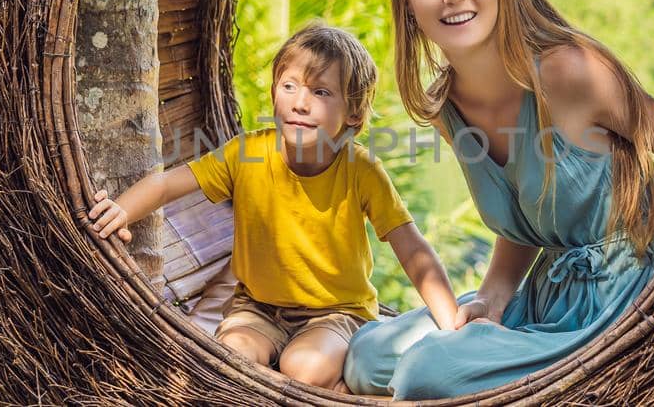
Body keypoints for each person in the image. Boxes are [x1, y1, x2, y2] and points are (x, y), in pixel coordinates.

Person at [342, 0, 654, 399]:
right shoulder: (447, 109)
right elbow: (524, 215)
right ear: (409, 2)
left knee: (425, 373)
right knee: (367, 355)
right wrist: (493, 298)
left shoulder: (569, 72)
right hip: (548, 293)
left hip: (621, 300)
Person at [87, 22, 459, 392]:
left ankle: (329, 382)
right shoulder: (248, 153)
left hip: (336, 314)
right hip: (257, 308)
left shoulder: (361, 171)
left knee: (305, 368)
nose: (300, 102)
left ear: (354, 114)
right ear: (274, 94)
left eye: (321, 92)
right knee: (232, 357)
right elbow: (168, 183)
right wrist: (120, 211)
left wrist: (451, 324)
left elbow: (413, 252)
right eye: (289, 86)